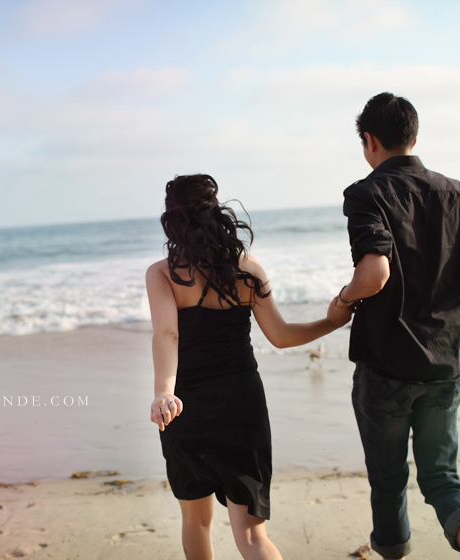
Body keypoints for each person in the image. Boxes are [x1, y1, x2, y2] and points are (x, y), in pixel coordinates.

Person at [330, 93, 460, 560]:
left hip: (386, 365)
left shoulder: (366, 192)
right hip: (446, 363)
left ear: (369, 140)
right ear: (414, 137)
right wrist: (448, 287)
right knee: (442, 475)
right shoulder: (458, 192)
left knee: (388, 480)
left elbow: (374, 273)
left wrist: (346, 299)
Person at [146, 174, 350, 560]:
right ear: (215, 210)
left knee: (196, 523)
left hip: (185, 406)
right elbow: (282, 335)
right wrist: (332, 322)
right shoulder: (248, 269)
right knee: (253, 538)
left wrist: (164, 392)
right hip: (242, 405)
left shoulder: (163, 273)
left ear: (173, 217)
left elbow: (167, 335)